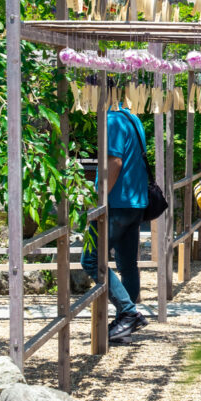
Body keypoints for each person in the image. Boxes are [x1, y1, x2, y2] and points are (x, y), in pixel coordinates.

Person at [81, 105, 150, 343]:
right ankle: (125, 324)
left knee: (90, 258)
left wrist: (98, 199)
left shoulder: (111, 120)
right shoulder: (132, 118)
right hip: (136, 202)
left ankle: (128, 313)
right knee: (128, 264)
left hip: (117, 203)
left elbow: (116, 162)